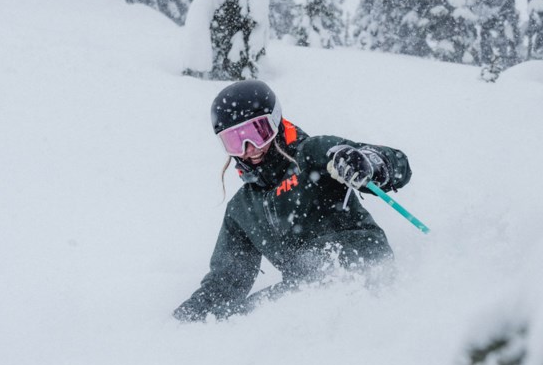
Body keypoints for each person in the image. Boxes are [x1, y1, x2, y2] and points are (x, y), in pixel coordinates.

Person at [173, 79, 412, 322]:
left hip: (361, 267)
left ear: (275, 122)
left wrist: (368, 162)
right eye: (235, 141)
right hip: (310, 293)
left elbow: (397, 164)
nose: (250, 148)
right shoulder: (242, 209)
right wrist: (181, 323)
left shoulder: (312, 154)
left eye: (257, 132)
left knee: (268, 308)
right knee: (241, 316)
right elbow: (226, 285)